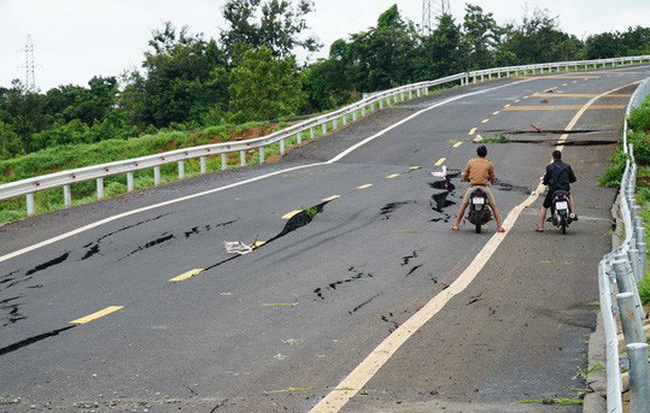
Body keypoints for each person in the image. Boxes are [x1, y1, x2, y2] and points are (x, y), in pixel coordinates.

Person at [450, 145, 505, 233]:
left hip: (473, 187)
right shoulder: (489, 163)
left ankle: (456, 225)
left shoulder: (471, 162)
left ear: (477, 153)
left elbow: (465, 174)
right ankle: (499, 227)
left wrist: (463, 179)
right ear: (486, 154)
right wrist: (493, 182)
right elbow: (492, 177)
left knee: (463, 205)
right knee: (494, 207)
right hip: (484, 187)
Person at [537, 150, 577, 232]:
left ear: (553, 157)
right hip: (564, 190)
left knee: (544, 207)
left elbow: (546, 180)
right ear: (561, 156)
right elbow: (573, 179)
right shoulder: (567, 166)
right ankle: (572, 213)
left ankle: (541, 227)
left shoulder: (549, 167)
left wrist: (545, 182)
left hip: (553, 191)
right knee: (570, 197)